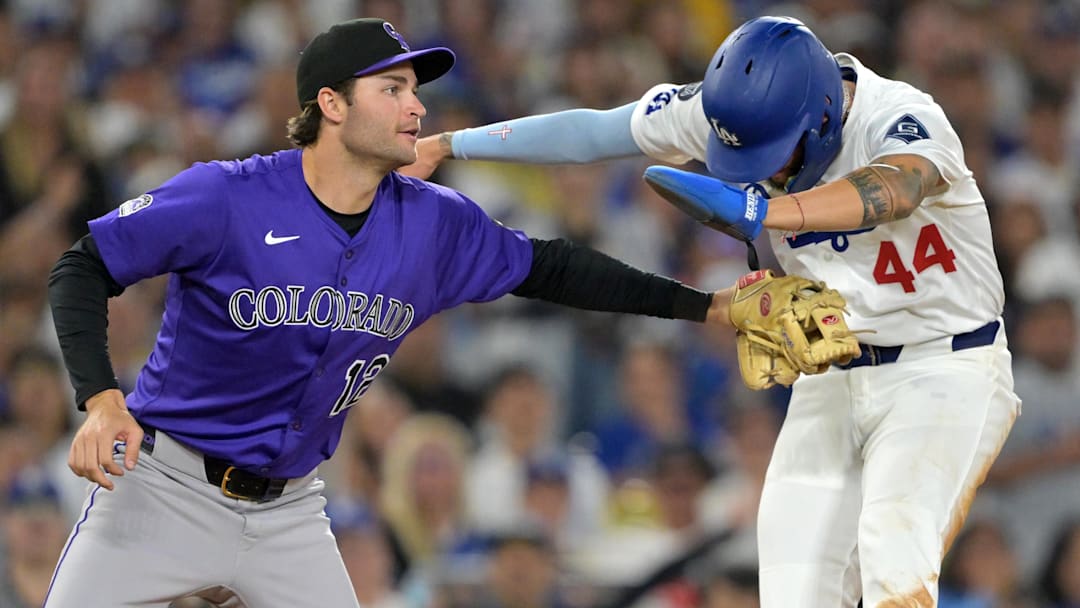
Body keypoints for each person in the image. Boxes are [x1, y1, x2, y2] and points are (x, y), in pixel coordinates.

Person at [44, 18, 742, 608]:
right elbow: (83, 264)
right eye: (393, 89)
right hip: (165, 488)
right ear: (333, 104)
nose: (417, 108)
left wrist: (705, 305)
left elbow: (554, 268)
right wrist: (103, 400)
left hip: (288, 512)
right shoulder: (226, 197)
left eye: (415, 91)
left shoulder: (433, 223)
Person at [405, 15, 1020, 607]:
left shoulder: (902, 117)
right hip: (836, 368)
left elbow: (896, 188)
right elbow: (592, 133)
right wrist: (451, 144)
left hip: (947, 367)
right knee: (792, 587)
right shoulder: (730, 111)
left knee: (895, 562)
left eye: (770, 153)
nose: (757, 167)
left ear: (824, 115)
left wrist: (765, 214)